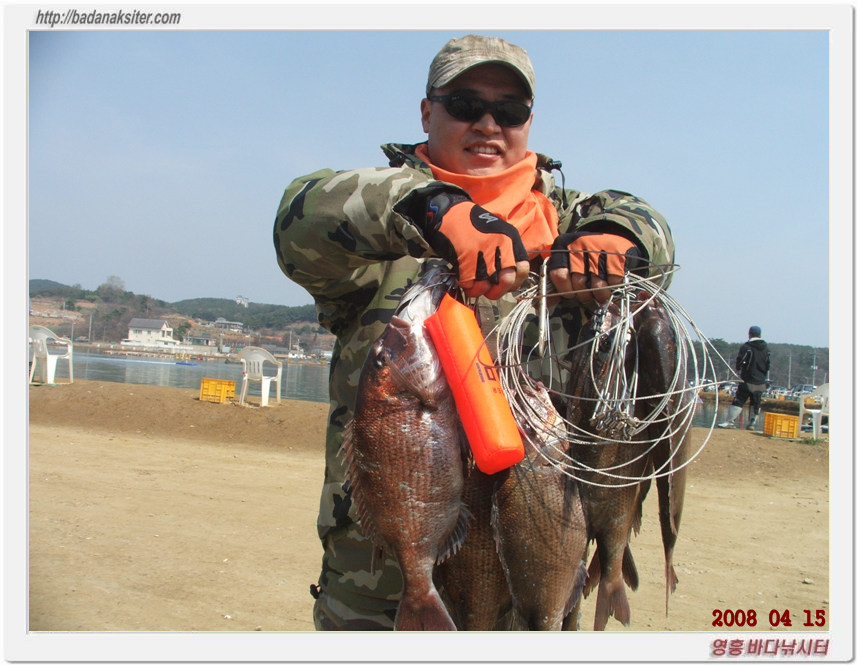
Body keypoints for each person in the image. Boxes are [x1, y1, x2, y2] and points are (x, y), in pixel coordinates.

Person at [273, 34, 675, 630]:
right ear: (426, 111)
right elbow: (299, 217)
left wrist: (621, 238)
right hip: (380, 595)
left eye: (509, 111)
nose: (488, 124)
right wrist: (437, 211)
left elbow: (653, 233)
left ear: (529, 122)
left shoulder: (569, 221)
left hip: (535, 579)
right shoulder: (375, 230)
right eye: (465, 105)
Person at [717, 325, 771, 429]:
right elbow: (768, 365)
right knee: (756, 402)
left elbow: (740, 361)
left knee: (739, 400)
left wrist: (738, 368)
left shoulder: (747, 347)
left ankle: (730, 422)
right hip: (760, 381)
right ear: (760, 335)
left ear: (749, 334)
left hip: (747, 379)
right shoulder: (766, 349)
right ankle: (752, 424)